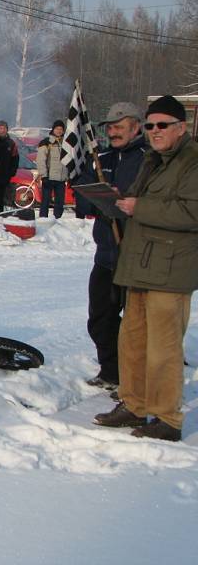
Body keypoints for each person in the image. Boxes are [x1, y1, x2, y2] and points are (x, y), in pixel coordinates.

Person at [94, 96, 198, 442]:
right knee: (132, 342)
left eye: (162, 125)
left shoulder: (192, 161)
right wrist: (115, 200)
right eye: (151, 125)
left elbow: (191, 212)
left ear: (180, 128)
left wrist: (141, 207)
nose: (154, 131)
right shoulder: (153, 161)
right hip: (138, 264)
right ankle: (134, 404)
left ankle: (167, 417)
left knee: (164, 349)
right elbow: (139, 204)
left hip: (169, 270)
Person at [76, 102, 146, 390]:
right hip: (105, 253)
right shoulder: (100, 157)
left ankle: (134, 380)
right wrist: (98, 197)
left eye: (119, 126)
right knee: (100, 317)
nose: (113, 132)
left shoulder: (148, 160)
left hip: (135, 255)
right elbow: (81, 195)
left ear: (136, 127)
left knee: (136, 324)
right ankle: (110, 370)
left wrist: (125, 200)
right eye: (110, 127)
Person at [36, 119, 67, 218]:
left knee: (60, 202)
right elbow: (41, 160)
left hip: (61, 178)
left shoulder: (66, 144)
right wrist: (43, 175)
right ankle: (43, 219)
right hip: (49, 177)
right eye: (57, 128)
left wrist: (68, 175)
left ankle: (57, 221)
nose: (59, 131)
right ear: (53, 129)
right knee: (45, 201)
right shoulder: (46, 142)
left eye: (61, 129)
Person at [0, 120, 19, 210]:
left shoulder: (11, 143)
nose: (2, 130)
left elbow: (15, 158)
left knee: (3, 198)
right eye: (0, 128)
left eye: (4, 128)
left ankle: (2, 215)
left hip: (5, 175)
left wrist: (12, 171)